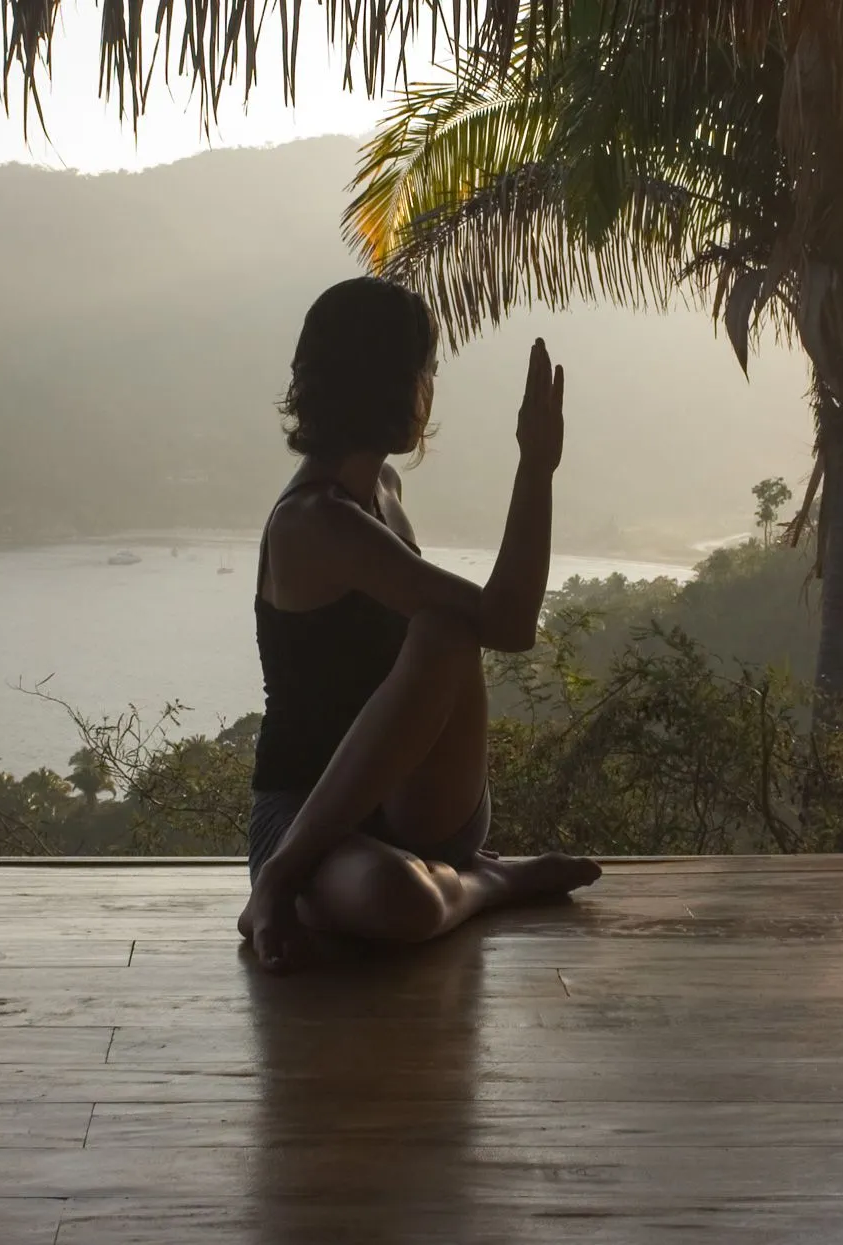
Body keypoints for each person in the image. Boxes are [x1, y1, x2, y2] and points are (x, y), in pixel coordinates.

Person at [238, 277, 602, 973]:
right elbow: (510, 618)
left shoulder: (384, 493)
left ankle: (468, 876)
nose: (431, 390)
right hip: (304, 821)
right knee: (393, 898)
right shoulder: (313, 523)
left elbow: (504, 623)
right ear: (394, 383)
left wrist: (536, 466)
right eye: (426, 372)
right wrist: (536, 466)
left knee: (444, 632)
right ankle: (484, 880)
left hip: (419, 807)